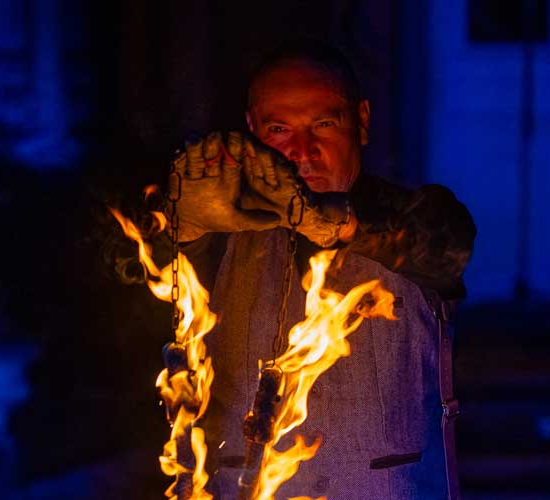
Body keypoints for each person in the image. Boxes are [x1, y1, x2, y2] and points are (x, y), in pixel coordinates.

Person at [169, 41, 475, 499]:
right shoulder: (219, 240)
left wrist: (330, 218)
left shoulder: (410, 216)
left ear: (362, 122)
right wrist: (181, 224)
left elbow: (447, 247)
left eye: (324, 124)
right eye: (279, 129)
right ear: (252, 131)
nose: (302, 150)